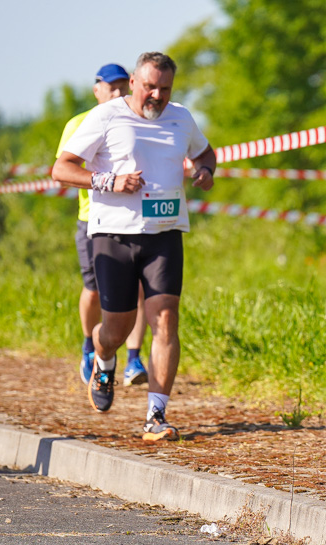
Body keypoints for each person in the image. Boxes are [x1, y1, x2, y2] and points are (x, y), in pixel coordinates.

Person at [52, 52, 216, 441]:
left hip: (165, 233)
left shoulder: (181, 117)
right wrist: (108, 181)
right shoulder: (107, 116)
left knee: (165, 318)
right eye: (149, 87)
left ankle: (155, 417)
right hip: (114, 234)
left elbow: (205, 152)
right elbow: (62, 167)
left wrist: (206, 169)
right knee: (117, 328)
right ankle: (102, 355)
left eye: (165, 88)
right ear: (133, 83)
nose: (156, 95)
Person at [56, 63, 150, 388]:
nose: (118, 92)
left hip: (136, 222)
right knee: (95, 290)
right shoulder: (79, 123)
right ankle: (89, 346)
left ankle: (134, 357)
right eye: (111, 87)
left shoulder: (137, 119)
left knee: (138, 290)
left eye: (123, 86)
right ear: (97, 89)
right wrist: (107, 183)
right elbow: (64, 170)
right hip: (91, 221)